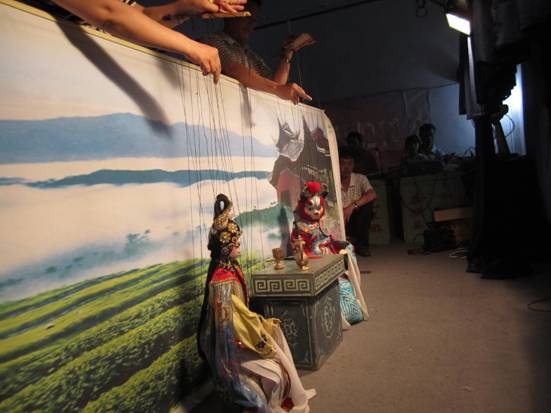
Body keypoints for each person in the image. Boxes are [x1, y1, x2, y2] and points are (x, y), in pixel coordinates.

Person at [198, 194, 315, 413]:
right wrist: (259, 328)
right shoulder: (222, 282)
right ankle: (273, 402)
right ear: (226, 248)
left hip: (244, 333)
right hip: (233, 347)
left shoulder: (231, 269)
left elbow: (242, 314)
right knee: (274, 371)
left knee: (277, 336)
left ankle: (291, 394)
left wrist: (261, 325)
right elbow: (230, 325)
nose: (239, 247)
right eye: (236, 244)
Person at [47, 0, 248, 83]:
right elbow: (110, 16)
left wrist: (187, 7)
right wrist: (189, 46)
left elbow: (139, 18)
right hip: (56, 75)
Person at [202, 0, 313, 104]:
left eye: (254, 20)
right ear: (230, 15)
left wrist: (287, 55)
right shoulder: (213, 41)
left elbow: (277, 85)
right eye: (247, 16)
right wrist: (277, 88)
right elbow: (233, 69)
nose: (251, 23)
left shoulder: (251, 56)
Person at [339, 147, 377, 257]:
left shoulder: (360, 178)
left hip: (355, 219)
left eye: (349, 164)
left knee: (367, 206)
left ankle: (362, 245)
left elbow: (372, 194)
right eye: (343, 164)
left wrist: (352, 206)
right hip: (338, 220)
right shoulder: (332, 178)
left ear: (353, 165)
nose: (346, 168)